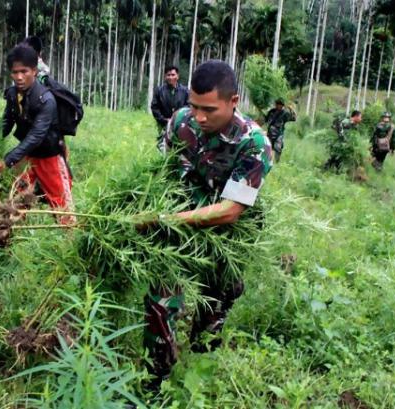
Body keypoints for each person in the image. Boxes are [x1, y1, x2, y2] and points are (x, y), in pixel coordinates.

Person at [142, 60, 273, 388]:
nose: (199, 117)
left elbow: (230, 210)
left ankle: (197, 379)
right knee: (160, 302)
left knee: (214, 309)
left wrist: (167, 219)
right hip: (180, 233)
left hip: (225, 238)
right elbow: (164, 175)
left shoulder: (254, 144)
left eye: (209, 110)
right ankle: (155, 378)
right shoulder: (180, 122)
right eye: (194, 106)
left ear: (233, 101)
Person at [0, 44, 73, 222]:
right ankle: (11, 241)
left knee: (63, 208)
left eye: (24, 71)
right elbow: (7, 122)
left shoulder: (46, 100)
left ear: (35, 71)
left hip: (49, 157)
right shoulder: (13, 94)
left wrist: (7, 160)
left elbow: (36, 136)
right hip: (27, 156)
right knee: (16, 201)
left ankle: (72, 243)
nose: (19, 77)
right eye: (15, 72)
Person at [151, 65, 189, 134]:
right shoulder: (159, 91)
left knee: (179, 143)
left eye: (173, 75)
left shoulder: (185, 91)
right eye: (168, 75)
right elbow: (154, 107)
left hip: (181, 125)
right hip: (163, 125)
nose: (171, 77)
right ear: (165, 76)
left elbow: (189, 107)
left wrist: (180, 120)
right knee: (164, 143)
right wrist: (163, 119)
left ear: (177, 76)